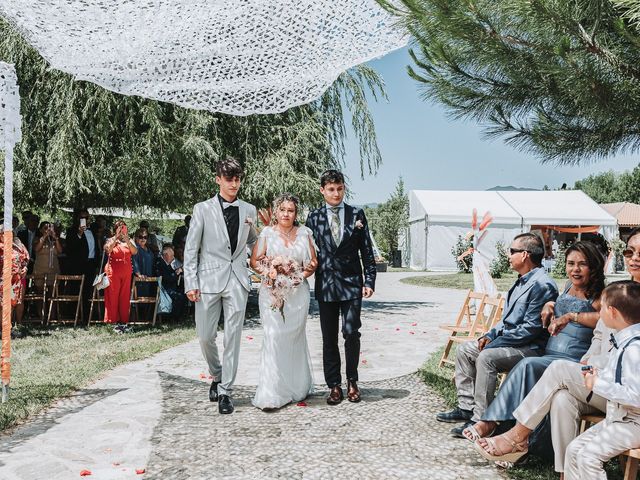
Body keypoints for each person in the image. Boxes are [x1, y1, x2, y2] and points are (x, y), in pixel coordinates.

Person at [473, 228, 640, 477]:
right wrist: (590, 358)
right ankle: (565, 473)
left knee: (558, 369)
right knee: (562, 398)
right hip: (604, 383)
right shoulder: (621, 291)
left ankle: (518, 436)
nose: (634, 257)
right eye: (630, 251)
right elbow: (599, 336)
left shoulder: (624, 300)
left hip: (625, 394)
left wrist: (592, 364)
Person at [463, 241, 605, 443]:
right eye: (571, 263)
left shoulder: (601, 295)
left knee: (527, 365)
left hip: (572, 359)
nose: (575, 269)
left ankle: (492, 422)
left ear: (593, 267)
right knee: (525, 367)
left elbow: (604, 319)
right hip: (550, 354)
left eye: (582, 264)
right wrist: (550, 304)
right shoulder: (567, 287)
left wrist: (571, 317)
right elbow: (561, 303)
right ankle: (506, 427)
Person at [436, 233, 558, 436]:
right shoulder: (521, 281)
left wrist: (494, 343)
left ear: (525, 255)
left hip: (530, 348)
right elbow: (506, 319)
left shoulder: (542, 285)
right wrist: (490, 335)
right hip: (511, 342)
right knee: (465, 349)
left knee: (486, 357)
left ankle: (481, 420)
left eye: (512, 251)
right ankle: (467, 408)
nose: (508, 255)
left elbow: (531, 329)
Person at [183, 157, 258, 414]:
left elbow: (253, 243)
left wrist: (267, 241)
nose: (234, 184)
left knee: (233, 337)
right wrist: (190, 282)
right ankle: (216, 374)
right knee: (205, 335)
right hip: (208, 281)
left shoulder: (249, 210)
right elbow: (191, 249)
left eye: (238, 179)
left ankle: (226, 390)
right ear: (218, 179)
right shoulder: (202, 209)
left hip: (237, 280)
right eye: (229, 179)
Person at [305, 169, 377, 405]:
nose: (336, 193)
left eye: (340, 189)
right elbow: (306, 251)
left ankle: (352, 381)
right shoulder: (313, 218)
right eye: (331, 189)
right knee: (328, 338)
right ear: (322, 190)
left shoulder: (357, 213)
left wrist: (369, 280)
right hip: (325, 284)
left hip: (351, 282)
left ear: (344, 188)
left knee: (351, 332)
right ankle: (334, 385)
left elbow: (366, 249)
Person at [563, 281, 640, 479]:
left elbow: (635, 397)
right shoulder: (623, 341)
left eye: (603, 306)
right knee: (573, 450)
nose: (600, 311)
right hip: (619, 419)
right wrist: (598, 374)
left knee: (588, 456)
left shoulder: (634, 349)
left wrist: (597, 384)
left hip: (634, 423)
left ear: (612, 312)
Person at [250, 194, 318, 410]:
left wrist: (297, 278)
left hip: (298, 294)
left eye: (291, 210)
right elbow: (255, 260)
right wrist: (270, 273)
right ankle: (272, 392)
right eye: (283, 210)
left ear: (296, 213)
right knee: (273, 337)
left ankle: (295, 387)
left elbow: (313, 262)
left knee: (293, 338)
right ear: (276, 212)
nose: (286, 214)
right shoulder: (267, 234)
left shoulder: (305, 233)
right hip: (271, 294)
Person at [103, 220, 137, 332]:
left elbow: (134, 251)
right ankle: (113, 320)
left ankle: (123, 320)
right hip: (113, 270)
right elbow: (108, 250)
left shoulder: (129, 240)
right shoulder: (110, 240)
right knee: (113, 295)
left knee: (124, 296)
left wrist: (127, 239)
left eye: (124, 227)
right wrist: (116, 237)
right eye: (120, 227)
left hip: (126, 270)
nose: (122, 229)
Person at [65, 209, 99, 322]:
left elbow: (96, 248)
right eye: (82, 218)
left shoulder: (93, 230)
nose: (84, 220)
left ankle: (87, 316)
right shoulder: (71, 231)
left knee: (88, 290)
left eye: (86, 218)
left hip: (91, 265)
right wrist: (79, 233)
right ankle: (74, 316)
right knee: (75, 290)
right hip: (77, 265)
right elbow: (70, 249)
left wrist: (97, 264)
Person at [0, 218, 30, 325]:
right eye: (4, 233)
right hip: (2, 280)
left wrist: (25, 267)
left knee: (11, 303)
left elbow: (25, 258)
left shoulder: (17, 245)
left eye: (9, 233)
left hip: (15, 280)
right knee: (2, 304)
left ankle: (8, 327)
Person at [156, 244, 187, 321]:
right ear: (166, 255)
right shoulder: (159, 263)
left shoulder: (167, 263)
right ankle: (173, 318)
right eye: (172, 255)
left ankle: (178, 317)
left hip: (169, 288)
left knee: (184, 293)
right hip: (163, 290)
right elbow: (168, 278)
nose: (173, 258)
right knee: (179, 296)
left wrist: (178, 271)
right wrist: (177, 273)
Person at [33, 220, 63, 288]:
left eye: (49, 228)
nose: (48, 230)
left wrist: (56, 238)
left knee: (52, 292)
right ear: (40, 230)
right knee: (40, 293)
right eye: (45, 228)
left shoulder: (53, 240)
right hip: (40, 270)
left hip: (53, 270)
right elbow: (36, 249)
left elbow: (60, 251)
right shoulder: (37, 239)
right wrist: (44, 236)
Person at [132, 227, 156, 297]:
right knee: (139, 302)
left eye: (145, 237)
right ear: (136, 238)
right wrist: (139, 275)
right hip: (140, 281)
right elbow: (134, 262)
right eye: (140, 237)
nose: (143, 239)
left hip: (149, 280)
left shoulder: (149, 250)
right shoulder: (135, 249)